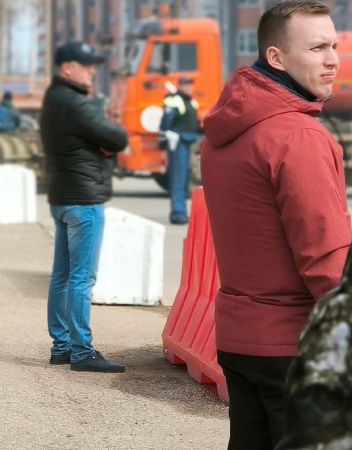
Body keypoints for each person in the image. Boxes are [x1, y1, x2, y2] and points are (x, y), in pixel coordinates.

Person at [200, 2, 352, 448]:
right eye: (317, 47)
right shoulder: (298, 136)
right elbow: (326, 257)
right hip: (293, 346)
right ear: (276, 58)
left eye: (334, 45)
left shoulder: (226, 131)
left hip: (239, 339)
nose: (332, 59)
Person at [40, 41, 128, 373]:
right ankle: (81, 351)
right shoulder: (75, 103)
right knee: (81, 279)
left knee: (62, 276)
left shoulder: (54, 98)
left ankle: (61, 346)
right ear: (67, 68)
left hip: (63, 197)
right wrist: (104, 143)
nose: (93, 71)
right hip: (84, 200)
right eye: (87, 65)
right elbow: (117, 138)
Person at [159, 76, 201, 224]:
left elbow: (195, 124)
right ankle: (178, 213)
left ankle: (182, 212)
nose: (188, 87)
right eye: (185, 84)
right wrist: (166, 137)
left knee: (185, 180)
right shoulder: (174, 100)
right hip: (178, 143)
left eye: (190, 84)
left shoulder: (192, 101)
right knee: (178, 178)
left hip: (189, 142)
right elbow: (165, 122)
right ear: (180, 86)